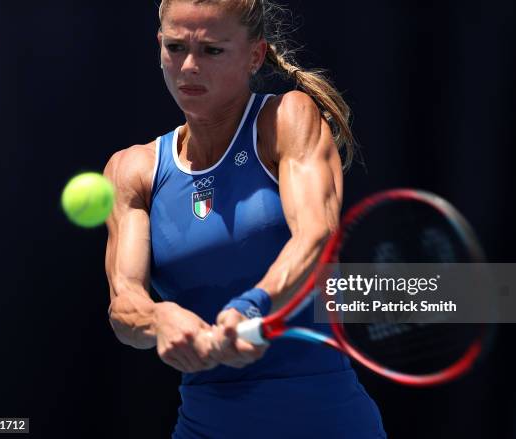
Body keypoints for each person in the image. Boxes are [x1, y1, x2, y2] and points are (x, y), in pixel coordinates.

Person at [104, 0, 386, 437]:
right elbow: (125, 303)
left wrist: (251, 305)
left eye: (213, 50)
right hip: (205, 426)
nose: (189, 66)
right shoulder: (131, 170)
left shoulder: (287, 119)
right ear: (158, 45)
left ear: (255, 55)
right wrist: (159, 320)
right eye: (175, 47)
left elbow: (317, 236)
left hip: (327, 422)